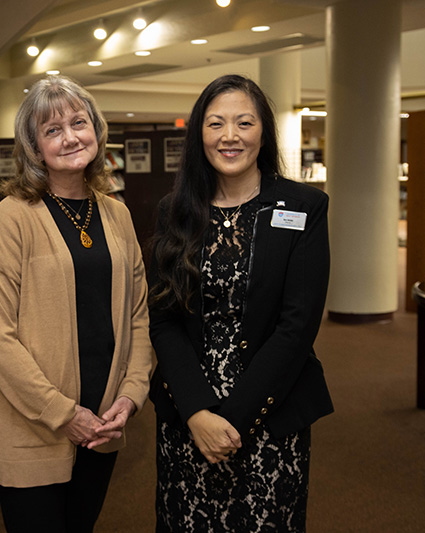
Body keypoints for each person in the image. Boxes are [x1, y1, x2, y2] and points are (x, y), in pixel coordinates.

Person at [148, 74, 334, 532]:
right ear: (199, 135)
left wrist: (230, 421)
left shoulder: (304, 207)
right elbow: (164, 319)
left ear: (263, 132)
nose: (230, 136)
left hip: (270, 415)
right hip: (189, 417)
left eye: (244, 122)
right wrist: (197, 413)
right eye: (216, 124)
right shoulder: (175, 211)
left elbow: (297, 326)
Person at [0, 75, 153, 532]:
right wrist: (62, 413)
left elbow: (138, 316)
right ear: (34, 148)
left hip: (102, 420)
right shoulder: (11, 217)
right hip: (33, 422)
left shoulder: (117, 213)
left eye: (79, 122)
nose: (70, 136)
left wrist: (130, 396)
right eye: (53, 130)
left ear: (97, 129)